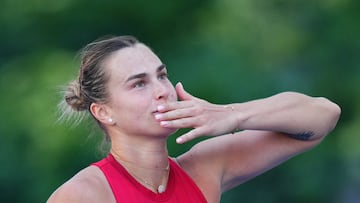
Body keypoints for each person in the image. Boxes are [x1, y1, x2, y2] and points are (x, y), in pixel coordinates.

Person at [47, 35, 341, 203]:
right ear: (103, 111)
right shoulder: (85, 194)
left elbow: (323, 115)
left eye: (161, 75)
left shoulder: (204, 169)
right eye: (139, 83)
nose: (162, 91)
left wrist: (233, 114)